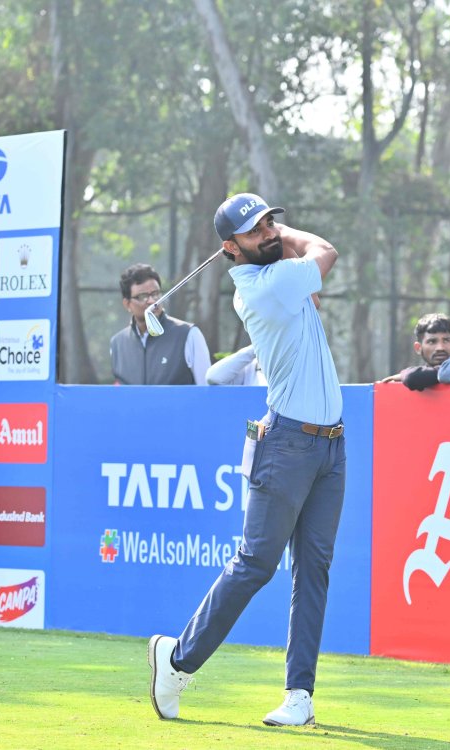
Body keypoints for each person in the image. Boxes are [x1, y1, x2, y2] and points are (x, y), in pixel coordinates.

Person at [148, 193, 345, 728]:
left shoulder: (280, 274)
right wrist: (288, 236)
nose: (270, 232)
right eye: (255, 230)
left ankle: (299, 695)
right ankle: (178, 662)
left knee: (314, 570)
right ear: (230, 248)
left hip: (330, 445)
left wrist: (273, 238)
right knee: (256, 562)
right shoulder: (264, 286)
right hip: (287, 444)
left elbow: (305, 270)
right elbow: (326, 250)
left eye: (270, 223)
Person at [109, 263, 210, 385]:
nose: (152, 301)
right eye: (142, 296)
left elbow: (206, 389)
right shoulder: (117, 343)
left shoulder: (188, 334)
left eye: (155, 294)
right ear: (127, 304)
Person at [379, 313, 450, 390]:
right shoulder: (411, 378)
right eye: (432, 342)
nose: (440, 348)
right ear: (418, 348)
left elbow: (412, 377)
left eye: (446, 340)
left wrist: (403, 375)